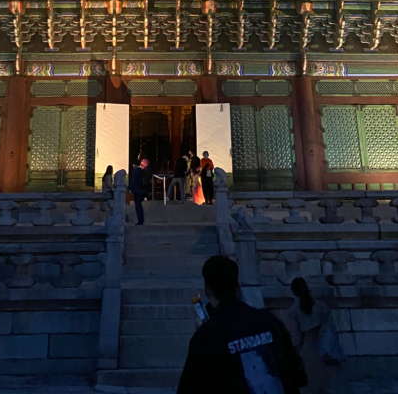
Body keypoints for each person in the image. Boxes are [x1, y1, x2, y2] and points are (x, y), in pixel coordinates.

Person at [177, 255, 307, 394]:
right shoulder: (268, 320)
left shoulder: (206, 336)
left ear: (208, 289)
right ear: (237, 287)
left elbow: (191, 387)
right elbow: (296, 372)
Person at [285, 277, 343, 394]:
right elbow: (330, 327)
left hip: (307, 351)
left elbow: (296, 339)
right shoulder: (320, 306)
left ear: (293, 292)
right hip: (324, 349)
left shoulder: (292, 312)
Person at [129, 157, 151, 225]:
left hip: (137, 190)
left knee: (138, 205)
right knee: (139, 205)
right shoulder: (146, 172)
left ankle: (140, 220)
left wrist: (130, 188)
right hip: (143, 190)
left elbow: (133, 181)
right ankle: (141, 220)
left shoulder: (136, 171)